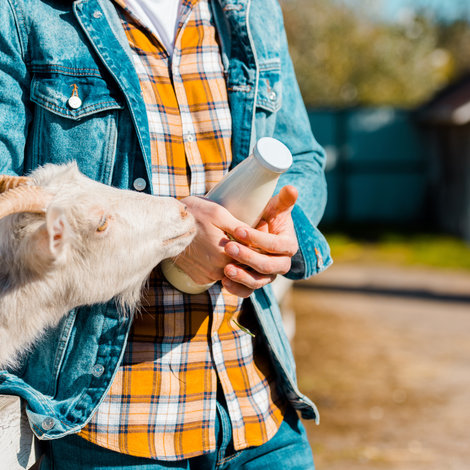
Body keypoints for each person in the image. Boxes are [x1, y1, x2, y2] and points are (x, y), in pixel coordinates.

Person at [0, 0, 331, 468]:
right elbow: (7, 205)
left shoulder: (251, 8)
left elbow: (301, 156)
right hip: (113, 429)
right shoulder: (21, 12)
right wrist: (174, 240)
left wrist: (284, 229)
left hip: (260, 414)